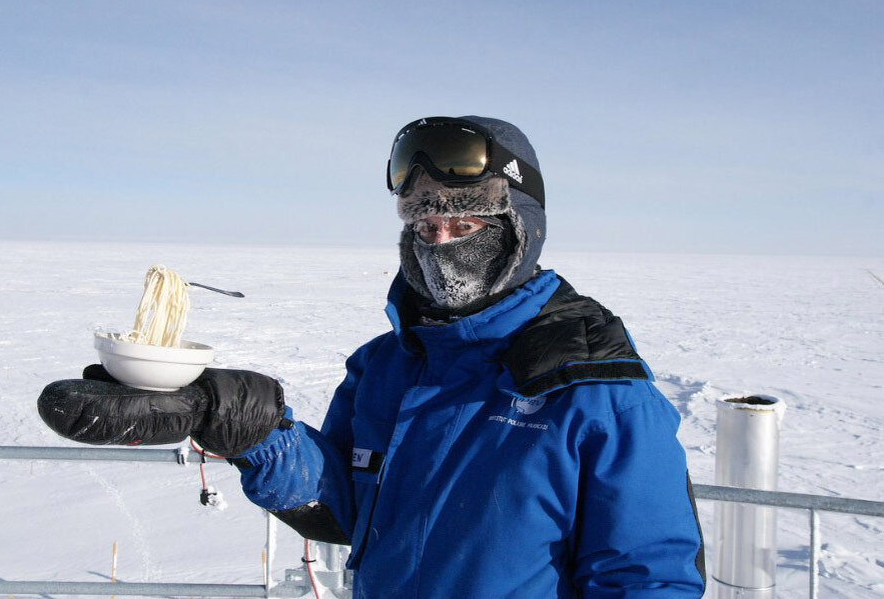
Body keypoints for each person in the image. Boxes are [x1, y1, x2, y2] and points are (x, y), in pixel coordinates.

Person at [39, 116, 706, 598]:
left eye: (463, 222)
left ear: (518, 230)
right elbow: (344, 509)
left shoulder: (597, 391)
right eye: (422, 224)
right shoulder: (385, 366)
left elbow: (648, 580)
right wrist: (242, 426)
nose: (437, 239)